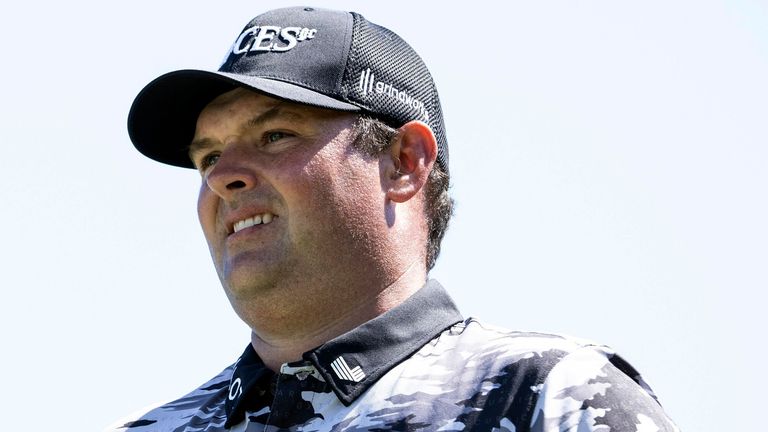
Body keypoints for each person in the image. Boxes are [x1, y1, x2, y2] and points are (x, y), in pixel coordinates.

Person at [109, 6, 678, 432]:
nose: (221, 176)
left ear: (404, 163)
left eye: (274, 135)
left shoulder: (552, 395)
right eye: (207, 157)